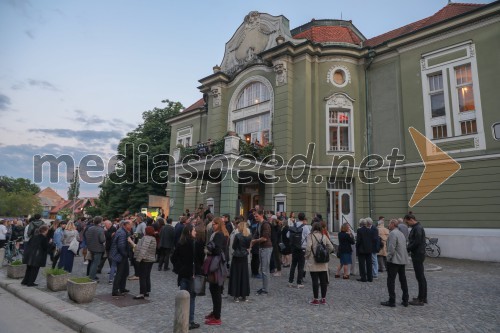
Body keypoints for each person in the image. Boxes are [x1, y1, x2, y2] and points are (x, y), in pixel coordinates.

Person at [171, 224, 204, 330]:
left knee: (183, 297)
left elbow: (173, 258)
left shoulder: (180, 243)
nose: (195, 232)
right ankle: (190, 321)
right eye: (194, 230)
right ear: (189, 231)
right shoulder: (196, 243)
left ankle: (182, 319)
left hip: (183, 274)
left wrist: (180, 268)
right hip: (192, 275)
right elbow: (201, 259)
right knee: (191, 298)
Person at [205, 217, 229, 326]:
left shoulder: (219, 235)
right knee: (213, 289)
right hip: (218, 264)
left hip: (217, 265)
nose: (212, 226)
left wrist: (209, 249)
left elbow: (217, 250)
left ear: (218, 224)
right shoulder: (220, 234)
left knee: (216, 290)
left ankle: (217, 316)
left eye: (214, 224)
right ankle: (215, 312)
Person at [381, 219, 409, 307]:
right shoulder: (401, 233)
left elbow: (391, 248)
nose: (388, 225)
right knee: (403, 280)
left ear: (393, 224)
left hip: (394, 260)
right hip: (402, 260)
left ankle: (392, 300)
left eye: (389, 223)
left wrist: (388, 258)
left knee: (391, 281)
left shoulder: (393, 233)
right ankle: (405, 300)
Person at [305, 222, 334, 305]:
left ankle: (316, 299)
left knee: (315, 280)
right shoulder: (324, 236)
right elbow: (331, 247)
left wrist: (307, 256)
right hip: (323, 262)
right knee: (323, 281)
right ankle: (323, 299)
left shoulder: (310, 236)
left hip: (313, 261)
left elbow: (308, 248)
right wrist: (325, 253)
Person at [406, 213, 427, 306]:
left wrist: (407, 248)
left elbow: (416, 242)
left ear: (411, 219)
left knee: (420, 277)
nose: (407, 224)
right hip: (419, 253)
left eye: (407, 222)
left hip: (418, 254)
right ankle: (423, 297)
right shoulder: (417, 227)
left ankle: (421, 299)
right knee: (420, 277)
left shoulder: (417, 228)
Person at [251, 209, 273, 295]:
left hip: (266, 248)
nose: (255, 217)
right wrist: (251, 241)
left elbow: (265, 238)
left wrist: (254, 241)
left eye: (256, 216)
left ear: (261, 215)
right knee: (263, 268)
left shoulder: (266, 224)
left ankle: (265, 289)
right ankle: (264, 287)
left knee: (265, 269)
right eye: (254, 216)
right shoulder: (259, 224)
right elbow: (256, 234)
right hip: (262, 247)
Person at [228, 221, 251, 302]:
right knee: (244, 276)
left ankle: (236, 295)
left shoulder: (237, 236)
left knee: (236, 276)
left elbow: (234, 246)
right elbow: (248, 246)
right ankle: (244, 295)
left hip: (237, 257)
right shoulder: (248, 236)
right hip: (244, 256)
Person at [110, 220, 134, 296]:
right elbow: (121, 246)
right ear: (126, 225)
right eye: (131, 225)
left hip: (122, 255)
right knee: (120, 273)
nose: (132, 226)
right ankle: (115, 290)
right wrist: (125, 254)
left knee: (125, 272)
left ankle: (122, 288)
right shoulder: (122, 232)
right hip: (121, 255)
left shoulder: (124, 231)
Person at [287, 212, 310, 288]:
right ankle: (299, 283)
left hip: (294, 248)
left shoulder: (294, 225)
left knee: (293, 265)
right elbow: (309, 238)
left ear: (298, 217)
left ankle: (290, 282)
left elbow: (288, 235)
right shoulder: (306, 227)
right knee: (301, 266)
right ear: (304, 218)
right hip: (302, 248)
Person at [133, 226, 157, 299]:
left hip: (145, 260)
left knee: (142, 277)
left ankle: (142, 293)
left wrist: (138, 260)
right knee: (147, 276)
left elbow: (143, 250)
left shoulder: (146, 238)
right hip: (150, 260)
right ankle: (146, 291)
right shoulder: (153, 238)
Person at [86, 216, 106, 281]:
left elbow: (87, 237)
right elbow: (102, 240)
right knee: (95, 263)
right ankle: (92, 277)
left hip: (91, 247)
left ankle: (92, 275)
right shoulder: (100, 229)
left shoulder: (90, 228)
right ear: (100, 221)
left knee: (92, 262)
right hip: (98, 248)